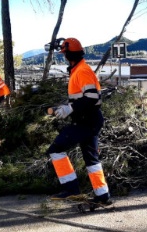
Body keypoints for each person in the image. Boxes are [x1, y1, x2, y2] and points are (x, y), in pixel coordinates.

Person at [47, 37, 111, 205]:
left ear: (69, 54)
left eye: (64, 53)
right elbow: (82, 98)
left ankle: (71, 189)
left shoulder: (81, 71)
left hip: (86, 121)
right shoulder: (78, 69)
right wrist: (67, 107)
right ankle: (102, 196)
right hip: (89, 120)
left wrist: (70, 109)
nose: (63, 56)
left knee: (56, 148)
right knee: (92, 160)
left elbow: (92, 97)